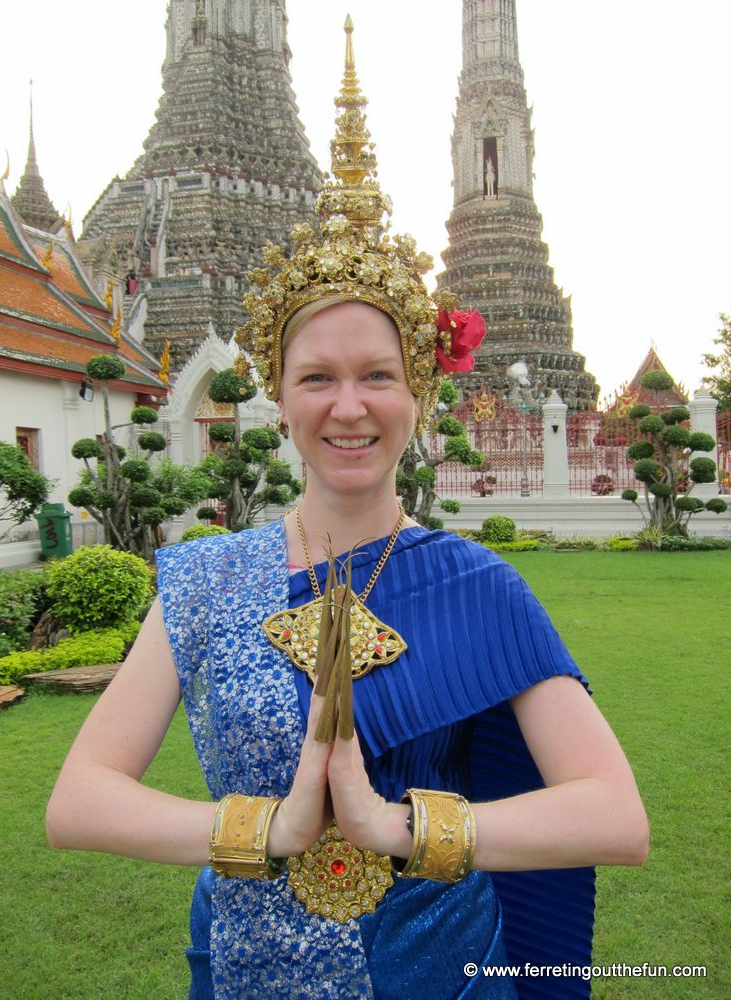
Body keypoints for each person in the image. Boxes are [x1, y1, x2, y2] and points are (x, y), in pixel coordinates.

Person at [46, 19, 648, 1000]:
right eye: (317, 377)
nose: (349, 405)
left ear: (420, 395)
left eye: (378, 376)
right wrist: (266, 829)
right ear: (276, 398)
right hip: (244, 969)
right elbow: (77, 800)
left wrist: (398, 826)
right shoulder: (206, 576)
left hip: (438, 972)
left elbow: (617, 816)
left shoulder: (478, 585)